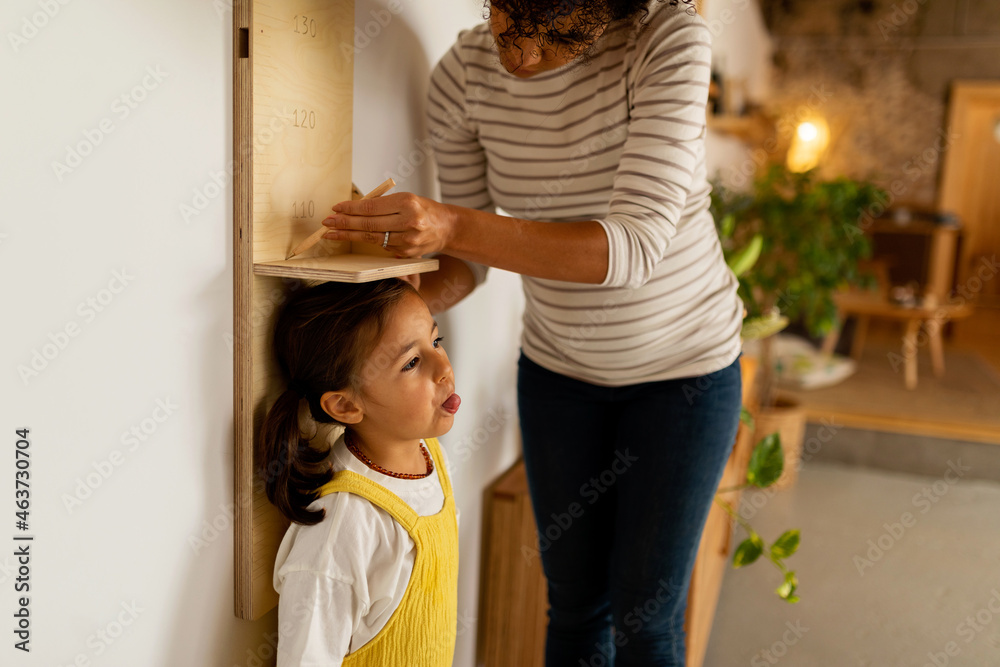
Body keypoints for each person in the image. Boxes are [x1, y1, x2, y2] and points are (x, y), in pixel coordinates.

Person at [322, 0, 743, 664]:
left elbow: (629, 250)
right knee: (575, 607)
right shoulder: (461, 78)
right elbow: (468, 266)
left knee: (646, 618)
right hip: (559, 373)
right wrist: (385, 300)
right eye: (507, 19)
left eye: (555, 38)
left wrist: (451, 224)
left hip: (686, 371)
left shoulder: (667, 41)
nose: (521, 55)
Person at [258, 278, 463, 667]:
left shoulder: (428, 451)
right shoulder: (343, 527)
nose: (444, 368)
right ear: (345, 406)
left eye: (435, 341)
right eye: (412, 363)